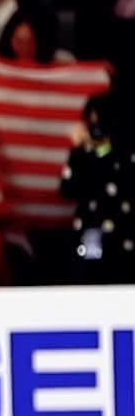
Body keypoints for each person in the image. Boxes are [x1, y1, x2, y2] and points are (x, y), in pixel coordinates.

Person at [60, 92, 135, 283]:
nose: (95, 127)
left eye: (98, 121)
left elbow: (109, 160)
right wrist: (82, 149)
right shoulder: (83, 153)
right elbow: (67, 189)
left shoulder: (124, 152)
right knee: (88, 271)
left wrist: (96, 148)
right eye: (90, 121)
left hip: (123, 232)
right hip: (92, 230)